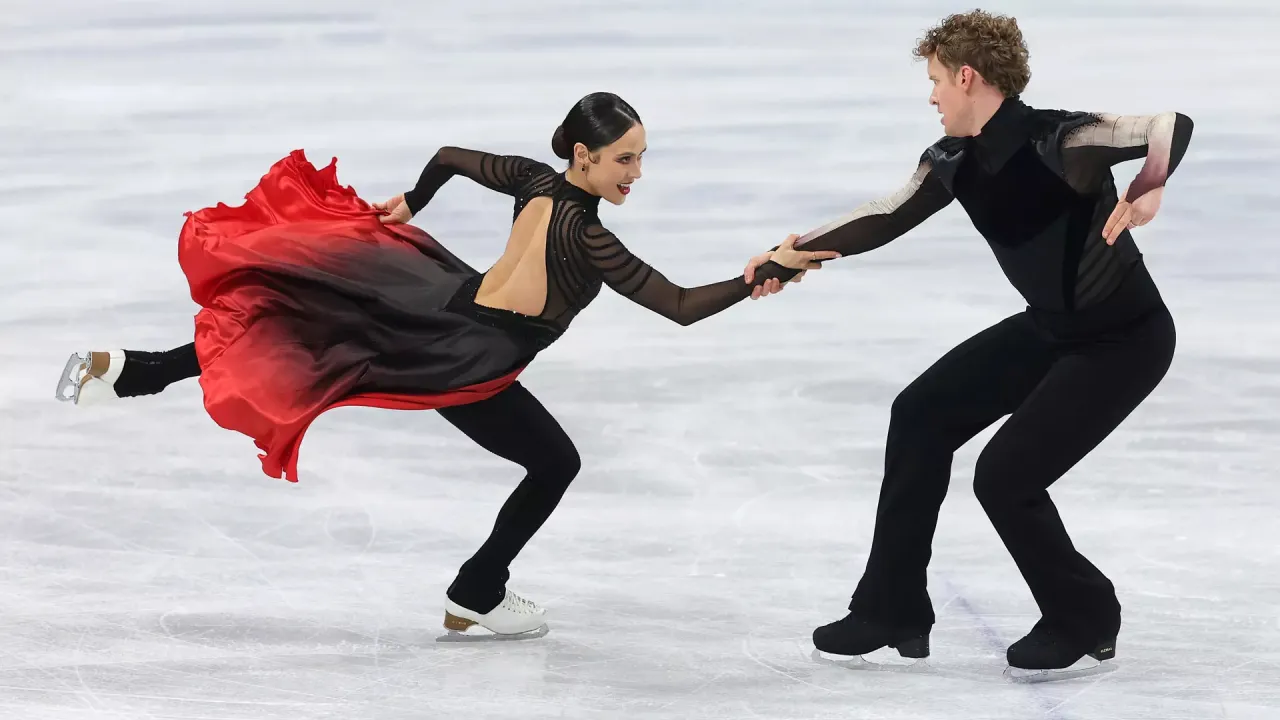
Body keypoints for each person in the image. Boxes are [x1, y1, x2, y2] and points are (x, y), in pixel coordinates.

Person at [55, 92, 832, 637]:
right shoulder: (588, 239)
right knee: (554, 463)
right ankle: (477, 592)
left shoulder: (535, 177)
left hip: (450, 302)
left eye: (643, 157)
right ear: (585, 155)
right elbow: (679, 306)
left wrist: (415, 201)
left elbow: (451, 157)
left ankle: (133, 369)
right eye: (624, 159)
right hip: (470, 353)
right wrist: (762, 272)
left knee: (316, 318)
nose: (636, 173)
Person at [745, 10, 1193, 672]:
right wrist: (792, 254)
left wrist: (1150, 183)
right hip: (1050, 329)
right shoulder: (953, 161)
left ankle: (1084, 613)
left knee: (1005, 477)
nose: (930, 97)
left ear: (966, 76)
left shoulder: (1063, 139)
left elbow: (1167, 126)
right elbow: (886, 216)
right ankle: (890, 605)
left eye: (934, 82)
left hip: (1125, 340)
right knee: (920, 414)